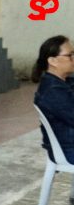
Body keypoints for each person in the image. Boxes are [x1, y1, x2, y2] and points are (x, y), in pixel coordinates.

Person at [31, 35, 74, 164]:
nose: (73, 59)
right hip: (68, 150)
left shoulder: (64, 82)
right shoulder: (52, 91)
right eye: (70, 55)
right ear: (53, 61)